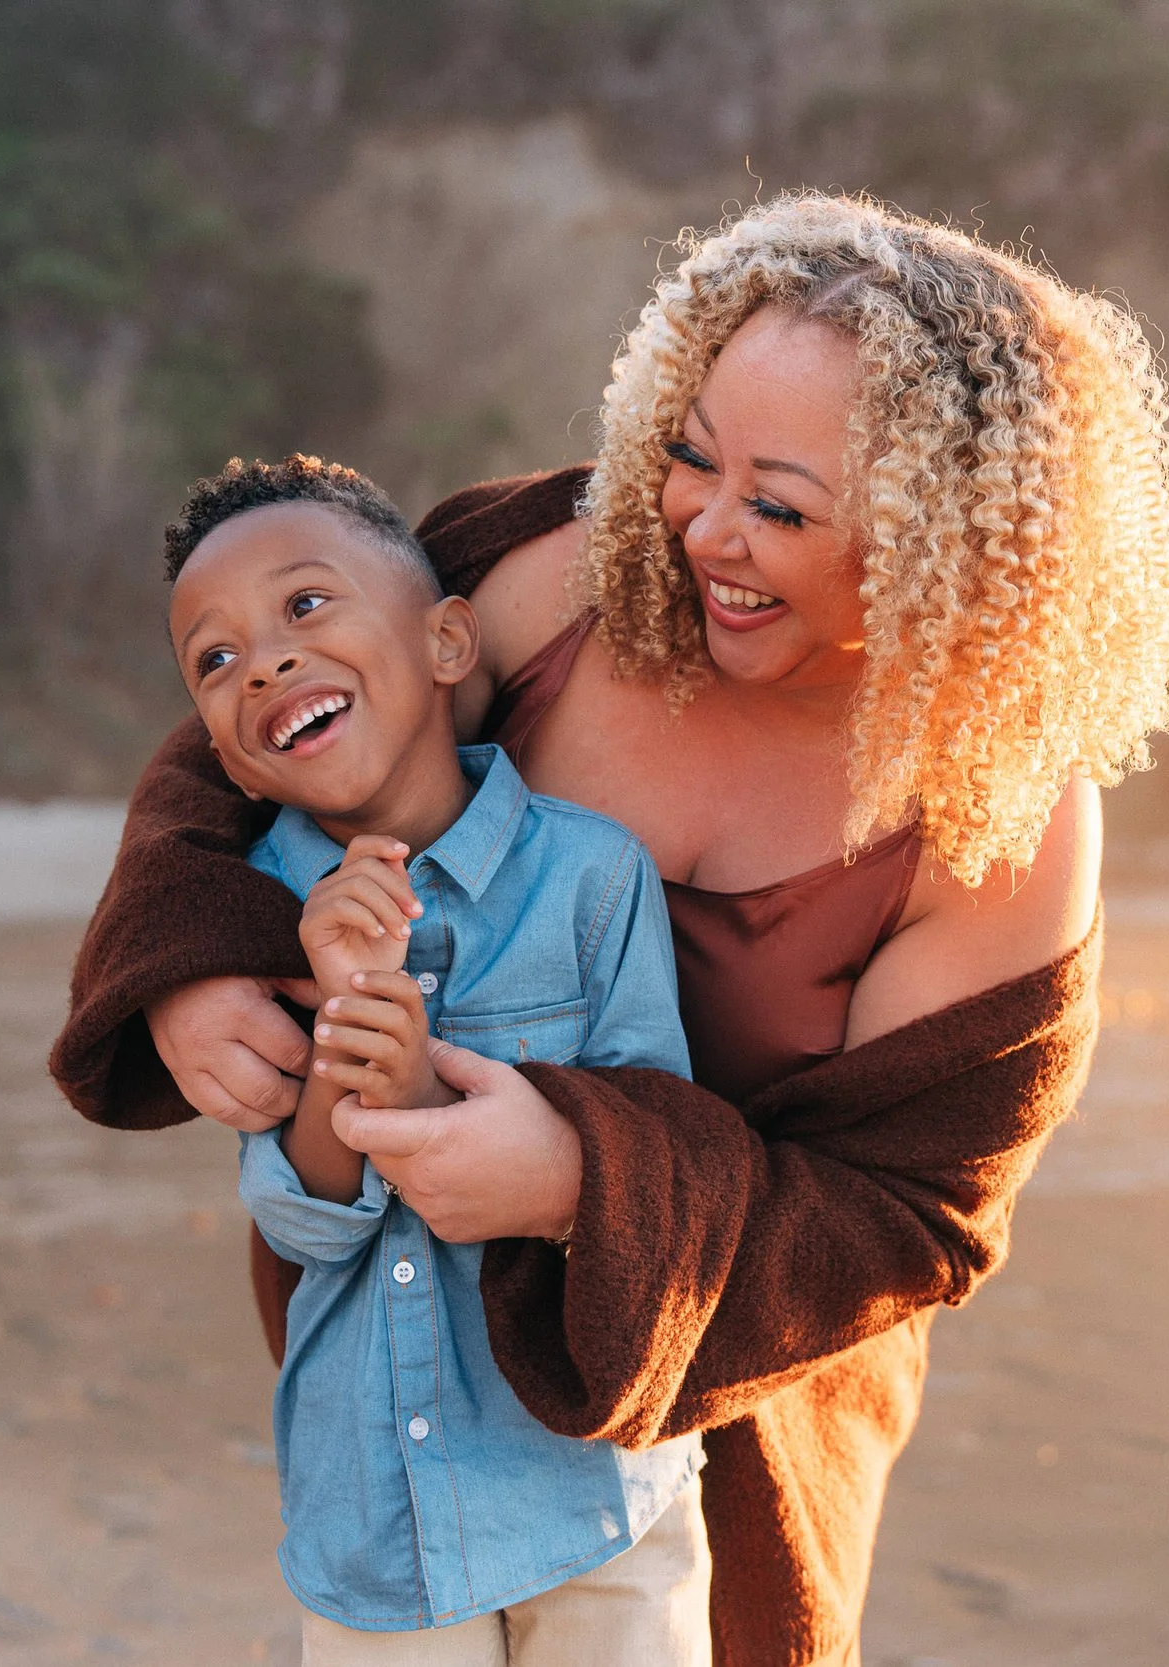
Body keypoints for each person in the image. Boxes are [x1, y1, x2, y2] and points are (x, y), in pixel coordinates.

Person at [52, 191, 1169, 1666]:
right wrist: (193, 950)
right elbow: (274, 722)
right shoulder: (555, 577)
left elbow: (912, 1219)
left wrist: (585, 1183)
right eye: (686, 454)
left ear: (948, 548)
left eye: (781, 505)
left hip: (732, 1408)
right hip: (400, 1346)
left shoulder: (1000, 821)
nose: (701, 530)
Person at [161, 454, 708, 1666]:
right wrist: (354, 1063)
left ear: (449, 642)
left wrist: (458, 1109)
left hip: (593, 1488)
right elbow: (298, 1224)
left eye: (306, 606)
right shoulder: (253, 923)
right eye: (215, 657)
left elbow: (658, 1146)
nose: (265, 659)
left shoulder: (589, 875)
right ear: (235, 760)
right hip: (375, 1508)